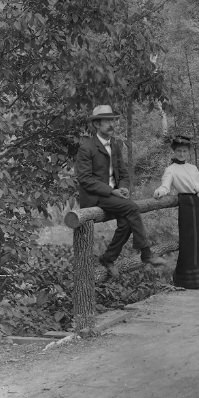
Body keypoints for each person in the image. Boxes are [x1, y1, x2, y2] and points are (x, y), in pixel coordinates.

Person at [75, 104, 165, 277]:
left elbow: (123, 173)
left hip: (113, 196)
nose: (112, 124)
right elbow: (85, 179)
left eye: (113, 120)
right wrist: (111, 191)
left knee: (126, 224)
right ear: (96, 125)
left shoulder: (115, 145)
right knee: (132, 208)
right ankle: (146, 253)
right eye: (107, 121)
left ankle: (108, 258)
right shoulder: (86, 147)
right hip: (95, 197)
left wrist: (123, 187)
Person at [153, 135, 199, 289]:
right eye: (179, 151)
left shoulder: (193, 168)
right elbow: (166, 186)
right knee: (190, 242)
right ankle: (191, 280)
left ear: (188, 152)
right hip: (187, 206)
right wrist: (160, 192)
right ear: (174, 152)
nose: (181, 154)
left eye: (184, 151)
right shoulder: (170, 170)